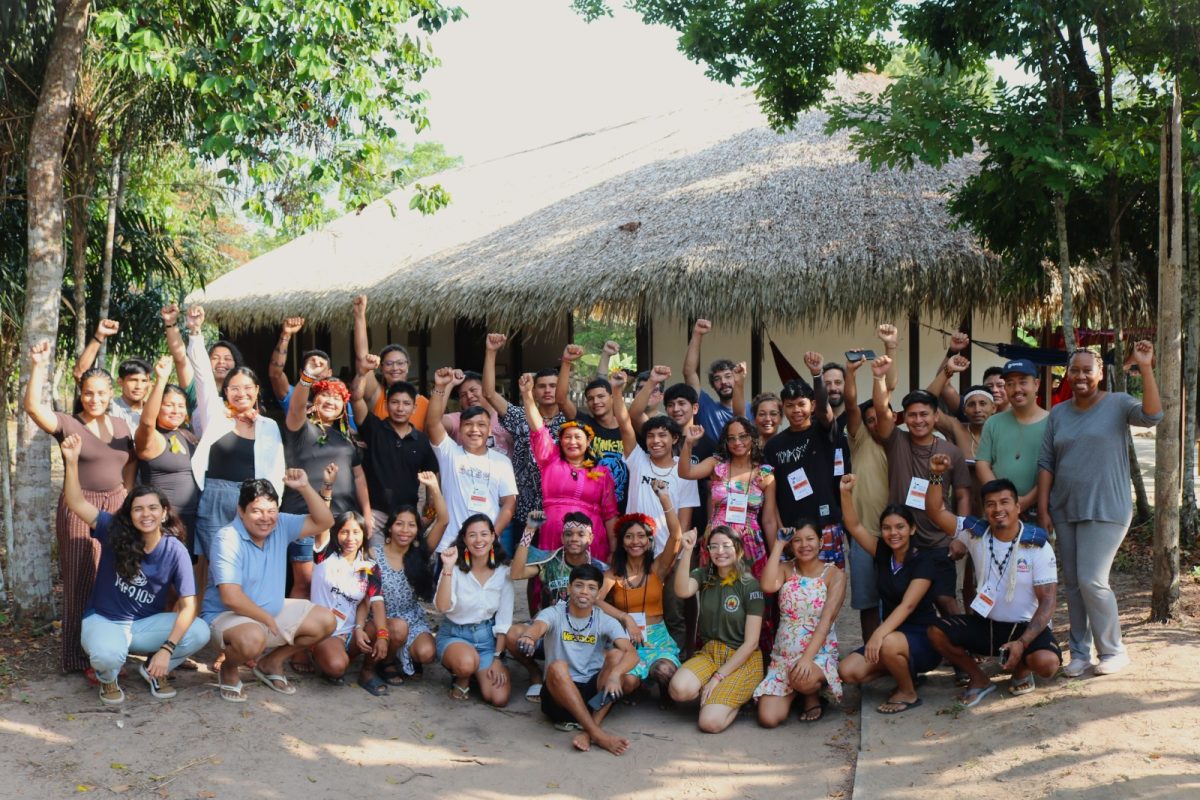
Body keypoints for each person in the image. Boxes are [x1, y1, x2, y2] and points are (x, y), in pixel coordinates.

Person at [1037, 343, 1162, 677]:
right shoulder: (1058, 413)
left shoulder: (1118, 403)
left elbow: (1152, 415)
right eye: (1074, 370)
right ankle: (1080, 653)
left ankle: (1113, 650)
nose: (1080, 376)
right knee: (1074, 585)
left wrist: (1145, 367)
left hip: (1107, 507)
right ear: (1067, 374)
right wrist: (1044, 508)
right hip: (1065, 508)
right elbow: (1046, 462)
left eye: (1087, 370)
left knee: (1091, 580)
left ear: (1100, 373)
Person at [59, 434, 209, 704]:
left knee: (200, 631)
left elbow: (188, 606)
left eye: (153, 508)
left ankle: (154, 670)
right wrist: (71, 462)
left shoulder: (175, 550)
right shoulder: (113, 530)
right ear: (129, 515)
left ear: (164, 513)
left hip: (143, 627)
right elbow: (76, 502)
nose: (146, 514)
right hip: (104, 620)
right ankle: (108, 678)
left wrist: (166, 649)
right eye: (138, 509)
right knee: (107, 656)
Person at [25, 340, 135, 674]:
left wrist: (125, 498)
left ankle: (110, 648)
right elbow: (33, 408)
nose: (95, 399)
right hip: (79, 505)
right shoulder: (68, 423)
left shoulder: (121, 426)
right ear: (81, 393)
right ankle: (77, 657)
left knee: (113, 577)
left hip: (116, 505)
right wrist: (37, 366)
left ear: (111, 392)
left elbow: (130, 463)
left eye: (101, 393)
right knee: (79, 579)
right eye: (88, 393)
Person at [924, 457, 1061, 705]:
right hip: (987, 625)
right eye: (990, 504)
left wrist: (1022, 643)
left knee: (1047, 663)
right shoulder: (975, 533)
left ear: (1018, 506)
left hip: (1025, 627)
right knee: (935, 632)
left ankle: (1022, 669)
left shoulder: (1037, 545)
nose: (998, 509)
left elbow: (1048, 601)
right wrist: (935, 475)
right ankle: (979, 678)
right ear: (985, 510)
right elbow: (936, 512)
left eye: (1004, 502)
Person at [201, 471, 338, 702]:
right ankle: (229, 669)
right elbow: (231, 597)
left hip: (270, 613)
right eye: (256, 511)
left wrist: (304, 487)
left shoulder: (281, 524)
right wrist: (265, 618)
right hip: (226, 617)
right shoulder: (227, 538)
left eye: (271, 511)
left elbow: (325, 521)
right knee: (252, 638)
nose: (265, 518)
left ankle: (271, 663)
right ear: (241, 511)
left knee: (326, 621)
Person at [186, 306, 285, 605]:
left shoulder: (268, 426)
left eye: (247, 388)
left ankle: (248, 623)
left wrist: (270, 509)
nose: (241, 393)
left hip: (254, 501)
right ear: (226, 391)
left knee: (250, 565)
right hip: (215, 497)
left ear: (257, 390)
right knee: (217, 569)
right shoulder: (216, 415)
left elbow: (276, 471)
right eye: (234, 388)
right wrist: (195, 332)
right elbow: (202, 376)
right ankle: (213, 623)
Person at [872, 354, 969, 616]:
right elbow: (881, 411)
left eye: (924, 414)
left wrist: (961, 536)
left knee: (946, 601)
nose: (918, 420)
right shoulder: (896, 441)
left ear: (936, 416)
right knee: (901, 603)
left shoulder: (952, 451)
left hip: (939, 541)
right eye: (912, 415)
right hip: (901, 541)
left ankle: (962, 640)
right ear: (904, 418)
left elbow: (962, 495)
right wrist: (879, 377)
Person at [837, 475, 941, 714]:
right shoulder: (883, 553)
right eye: (887, 528)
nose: (893, 533)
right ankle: (904, 671)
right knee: (848, 671)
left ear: (912, 529)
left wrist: (878, 634)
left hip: (923, 637)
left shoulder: (924, 560)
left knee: (887, 643)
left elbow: (907, 606)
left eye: (900, 527)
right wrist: (845, 492)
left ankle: (908, 692)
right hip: (892, 636)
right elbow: (854, 526)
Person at [516, 564, 640, 755]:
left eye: (591, 587)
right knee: (557, 667)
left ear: (598, 594)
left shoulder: (604, 619)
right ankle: (598, 735)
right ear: (568, 588)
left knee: (617, 656)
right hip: (558, 698)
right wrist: (528, 637)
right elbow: (538, 627)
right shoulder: (554, 613)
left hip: (592, 698)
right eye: (579, 585)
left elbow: (632, 653)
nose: (584, 592)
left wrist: (615, 675)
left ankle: (589, 731)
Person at [668, 526, 765, 732]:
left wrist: (718, 677)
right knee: (679, 690)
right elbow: (682, 590)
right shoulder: (704, 575)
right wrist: (687, 550)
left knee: (709, 723)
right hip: (710, 654)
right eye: (714, 546)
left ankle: (735, 698)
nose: (720, 551)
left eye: (726, 545)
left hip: (741, 658)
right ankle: (717, 695)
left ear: (738, 548)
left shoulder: (749, 584)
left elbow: (751, 643)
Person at [282, 369, 369, 600]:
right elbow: (295, 409)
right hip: (305, 518)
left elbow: (359, 477)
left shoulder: (347, 439)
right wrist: (306, 379)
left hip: (341, 521)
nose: (331, 401)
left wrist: (367, 515)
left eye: (337, 397)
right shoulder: (301, 428)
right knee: (305, 582)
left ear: (344, 406)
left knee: (335, 582)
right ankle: (299, 623)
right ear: (314, 400)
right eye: (325, 395)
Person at [506, 511, 611, 698]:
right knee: (513, 635)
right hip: (548, 633)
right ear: (562, 537)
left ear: (591, 538)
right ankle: (536, 676)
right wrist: (529, 530)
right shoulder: (549, 562)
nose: (574, 538)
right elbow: (516, 574)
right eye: (569, 534)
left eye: (581, 534)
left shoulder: (601, 570)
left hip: (584, 636)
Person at [598, 483, 685, 702]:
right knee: (627, 683)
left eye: (641, 536)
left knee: (665, 672)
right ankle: (638, 686)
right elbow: (595, 601)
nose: (635, 541)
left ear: (649, 541)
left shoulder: (658, 568)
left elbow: (676, 536)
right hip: (628, 638)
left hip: (657, 638)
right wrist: (625, 618)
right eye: (629, 536)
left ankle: (664, 689)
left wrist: (664, 497)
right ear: (622, 542)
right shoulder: (613, 574)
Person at [754, 522, 846, 726]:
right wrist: (779, 544)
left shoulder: (835, 575)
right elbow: (767, 585)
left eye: (810, 539)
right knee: (768, 718)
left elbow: (827, 620)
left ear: (820, 542)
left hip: (817, 654)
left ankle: (811, 696)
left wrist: (806, 658)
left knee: (802, 678)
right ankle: (796, 694)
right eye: (797, 540)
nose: (804, 545)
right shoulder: (786, 568)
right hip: (784, 656)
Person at [482, 333, 565, 553]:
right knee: (524, 564)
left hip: (558, 508)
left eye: (553, 385)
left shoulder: (571, 422)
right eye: (542, 386)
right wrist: (491, 352)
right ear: (533, 391)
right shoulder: (520, 416)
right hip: (524, 510)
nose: (548, 390)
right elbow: (489, 393)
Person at [522, 373, 619, 560]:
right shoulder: (550, 460)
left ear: (588, 441)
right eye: (567, 437)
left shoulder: (601, 473)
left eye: (577, 437)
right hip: (553, 537)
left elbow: (610, 515)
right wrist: (527, 395)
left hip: (591, 542)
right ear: (560, 441)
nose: (572, 442)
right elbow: (538, 429)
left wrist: (615, 552)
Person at [763, 355, 846, 569]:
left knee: (830, 582)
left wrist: (817, 375)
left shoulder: (824, 431)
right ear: (783, 408)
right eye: (790, 405)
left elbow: (825, 410)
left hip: (825, 525)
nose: (796, 410)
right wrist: (781, 529)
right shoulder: (774, 446)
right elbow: (772, 494)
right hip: (792, 531)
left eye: (802, 404)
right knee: (793, 586)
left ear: (813, 405)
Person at [427, 367, 518, 550]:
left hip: (486, 546)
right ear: (460, 429)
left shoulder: (502, 462)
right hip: (450, 545)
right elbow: (432, 423)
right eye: (468, 425)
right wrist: (441, 387)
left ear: (489, 430)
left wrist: (492, 537)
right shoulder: (449, 454)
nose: (475, 430)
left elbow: (509, 503)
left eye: (481, 425)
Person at [350, 353, 439, 538]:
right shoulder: (374, 428)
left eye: (406, 404)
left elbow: (432, 478)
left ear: (414, 408)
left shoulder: (421, 440)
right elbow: (356, 398)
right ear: (386, 404)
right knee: (375, 558)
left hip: (407, 517)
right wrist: (362, 373)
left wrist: (429, 515)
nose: (400, 408)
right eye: (395, 402)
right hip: (374, 516)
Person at [374, 471, 449, 682]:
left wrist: (434, 487)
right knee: (397, 629)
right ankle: (386, 661)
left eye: (411, 525)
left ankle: (404, 654)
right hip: (382, 619)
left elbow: (443, 520)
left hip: (411, 617)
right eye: (399, 524)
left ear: (417, 530)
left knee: (427, 654)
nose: (405, 530)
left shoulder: (420, 553)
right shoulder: (373, 554)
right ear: (390, 528)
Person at [307, 507, 391, 695]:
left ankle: (367, 671)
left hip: (351, 632)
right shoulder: (324, 555)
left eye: (356, 532)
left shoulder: (370, 566)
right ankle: (325, 655)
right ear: (336, 533)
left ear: (364, 534)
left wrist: (381, 635)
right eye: (344, 532)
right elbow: (322, 519)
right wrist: (327, 492)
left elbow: (376, 603)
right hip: (324, 632)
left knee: (384, 628)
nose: (350, 538)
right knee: (337, 667)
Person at [434, 514, 514, 706]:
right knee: (466, 663)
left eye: (484, 534)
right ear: (464, 539)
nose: (479, 540)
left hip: (486, 640)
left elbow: (504, 620)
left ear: (493, 536)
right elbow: (442, 607)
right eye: (472, 535)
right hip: (455, 634)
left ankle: (476, 674)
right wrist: (447, 567)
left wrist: (497, 658)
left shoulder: (503, 572)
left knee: (499, 698)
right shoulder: (454, 567)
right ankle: (462, 677)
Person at [680, 418, 776, 577]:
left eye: (743, 436)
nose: (737, 442)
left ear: (752, 437)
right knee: (714, 588)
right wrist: (688, 443)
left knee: (748, 589)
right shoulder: (716, 465)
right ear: (726, 441)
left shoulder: (764, 474)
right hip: (716, 542)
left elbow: (769, 520)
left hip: (748, 543)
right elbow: (685, 472)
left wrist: (776, 558)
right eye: (731, 438)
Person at [615, 369, 699, 541]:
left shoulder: (684, 470)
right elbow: (624, 423)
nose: (656, 441)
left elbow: (685, 521)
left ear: (674, 439)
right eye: (650, 436)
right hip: (635, 546)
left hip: (667, 549)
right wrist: (616, 390)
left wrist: (677, 552)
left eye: (662, 435)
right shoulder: (638, 460)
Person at [134, 356, 200, 571]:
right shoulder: (151, 437)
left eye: (180, 406)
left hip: (190, 520)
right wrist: (161, 380)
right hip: (162, 521)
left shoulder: (186, 435)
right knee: (162, 577)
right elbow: (146, 422)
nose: (176, 410)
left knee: (184, 577)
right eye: (169, 405)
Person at [841, 353, 889, 640]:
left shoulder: (901, 441)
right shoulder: (860, 440)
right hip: (863, 536)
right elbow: (850, 405)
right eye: (869, 420)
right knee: (868, 604)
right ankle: (871, 654)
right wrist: (851, 373)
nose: (874, 423)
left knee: (897, 599)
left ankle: (894, 652)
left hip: (897, 536)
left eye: (879, 417)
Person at [976, 359, 1050, 516]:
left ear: (1036, 384)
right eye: (1010, 384)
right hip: (999, 512)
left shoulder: (1053, 422)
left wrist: (1027, 500)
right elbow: (982, 464)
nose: (1016, 389)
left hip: (1039, 510)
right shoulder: (993, 422)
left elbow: (1054, 470)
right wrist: (1002, 499)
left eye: (1023, 382)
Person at [557, 344, 627, 509]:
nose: (596, 401)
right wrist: (566, 362)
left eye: (601, 396)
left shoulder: (627, 428)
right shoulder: (585, 424)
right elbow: (561, 400)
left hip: (624, 508)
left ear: (612, 397)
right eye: (590, 398)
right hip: (591, 508)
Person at [352, 294, 429, 429]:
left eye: (400, 363)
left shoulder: (424, 403)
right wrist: (360, 315)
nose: (395, 368)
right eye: (389, 363)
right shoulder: (376, 394)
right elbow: (362, 357)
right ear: (381, 368)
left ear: (408, 366)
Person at [267, 316, 357, 430]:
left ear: (329, 373)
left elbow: (351, 432)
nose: (316, 370)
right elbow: (275, 374)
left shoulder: (338, 399)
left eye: (321, 366)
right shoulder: (293, 395)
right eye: (312, 365)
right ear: (302, 373)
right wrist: (285, 335)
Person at [683, 318, 749, 437]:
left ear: (736, 378)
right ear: (713, 385)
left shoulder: (751, 408)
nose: (723, 382)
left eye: (728, 376)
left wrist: (740, 383)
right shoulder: (705, 407)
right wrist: (697, 335)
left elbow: (739, 417)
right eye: (717, 379)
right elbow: (689, 373)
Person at [442, 370, 513, 456]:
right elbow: (434, 422)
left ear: (486, 390)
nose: (469, 396)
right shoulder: (458, 420)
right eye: (463, 395)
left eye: (473, 390)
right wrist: (449, 384)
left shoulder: (506, 416)